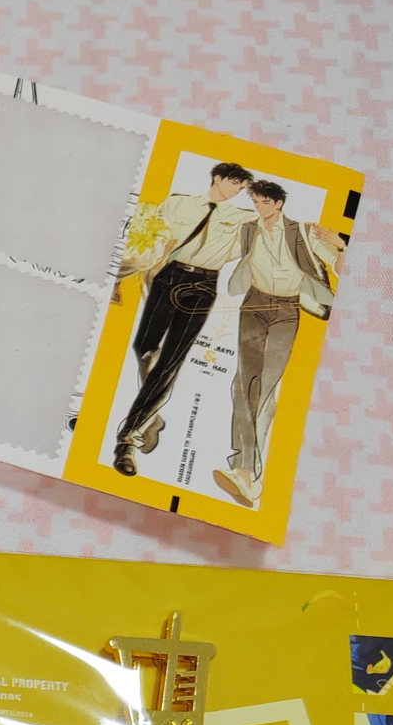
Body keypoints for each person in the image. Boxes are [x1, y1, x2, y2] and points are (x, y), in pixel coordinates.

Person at [112, 162, 254, 476]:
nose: (238, 191)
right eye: (235, 183)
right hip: (167, 277)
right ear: (217, 178)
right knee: (144, 347)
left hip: (203, 285)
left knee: (170, 361)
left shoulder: (243, 218)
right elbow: (149, 238)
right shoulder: (178, 203)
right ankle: (151, 416)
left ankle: (128, 440)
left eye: (242, 187)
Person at [213, 181, 343, 507]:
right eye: (256, 203)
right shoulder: (248, 230)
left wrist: (341, 246)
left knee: (266, 390)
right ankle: (245, 472)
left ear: (279, 203)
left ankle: (250, 475)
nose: (260, 208)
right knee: (244, 385)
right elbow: (221, 251)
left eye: (264, 203)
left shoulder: (304, 232)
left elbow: (341, 269)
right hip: (254, 305)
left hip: (286, 311)